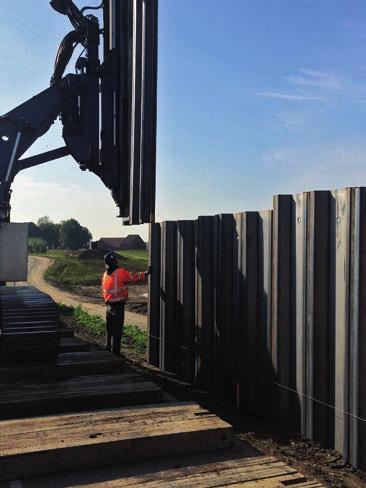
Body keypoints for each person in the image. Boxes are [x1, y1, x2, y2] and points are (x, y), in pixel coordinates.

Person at [101, 252, 150, 355]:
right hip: (118, 305)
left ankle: (108, 348)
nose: (117, 261)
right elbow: (133, 277)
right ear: (114, 261)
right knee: (117, 330)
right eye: (115, 260)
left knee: (109, 328)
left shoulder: (105, 274)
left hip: (109, 304)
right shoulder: (120, 272)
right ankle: (116, 353)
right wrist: (146, 273)